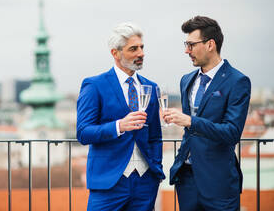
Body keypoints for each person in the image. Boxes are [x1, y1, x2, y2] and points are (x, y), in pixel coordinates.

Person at [164, 16, 251, 211]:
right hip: (186, 181)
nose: (187, 51)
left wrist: (190, 121)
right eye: (186, 45)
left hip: (218, 182)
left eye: (191, 45)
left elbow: (232, 133)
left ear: (210, 44)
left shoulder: (237, 81)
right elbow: (190, 132)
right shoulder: (186, 80)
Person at [76, 22, 165, 211]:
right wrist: (119, 126)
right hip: (108, 182)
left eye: (142, 47)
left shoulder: (151, 87)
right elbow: (83, 132)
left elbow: (155, 135)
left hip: (145, 182)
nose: (140, 53)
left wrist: (155, 169)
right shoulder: (95, 85)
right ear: (115, 53)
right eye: (133, 48)